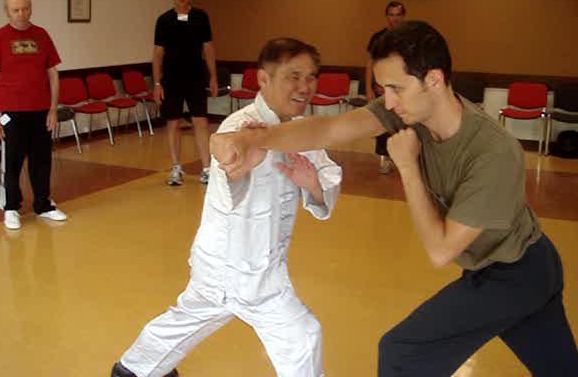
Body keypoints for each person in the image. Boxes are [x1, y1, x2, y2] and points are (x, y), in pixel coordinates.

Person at [212, 21, 578, 376]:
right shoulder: (412, 107)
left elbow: (440, 248)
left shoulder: (493, 153)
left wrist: (407, 167)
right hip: (512, 265)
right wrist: (253, 139)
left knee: (403, 352)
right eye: (384, 88)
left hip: (516, 273)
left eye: (396, 88)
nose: (387, 101)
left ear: (433, 79)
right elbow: (329, 128)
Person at [112, 38, 342, 377]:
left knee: (190, 316)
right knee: (302, 336)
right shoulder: (241, 127)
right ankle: (135, 369)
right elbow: (227, 166)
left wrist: (312, 185)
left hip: (248, 264)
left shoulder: (301, 130)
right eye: (294, 76)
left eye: (311, 77)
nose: (305, 87)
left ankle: (133, 369)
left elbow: (325, 178)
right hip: (238, 267)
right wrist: (242, 163)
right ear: (263, 80)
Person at [0, 0, 67, 230]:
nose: (21, 14)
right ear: (7, 12)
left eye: (25, 8)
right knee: (13, 162)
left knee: (42, 160)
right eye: (16, 10)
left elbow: (53, 74)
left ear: (31, 9)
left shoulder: (41, 35)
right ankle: (11, 207)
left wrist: (53, 109)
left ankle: (43, 205)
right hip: (11, 111)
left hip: (40, 110)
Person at [153, 0, 218, 186]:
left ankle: (207, 168)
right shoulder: (163, 20)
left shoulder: (201, 17)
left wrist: (213, 77)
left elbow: (208, 48)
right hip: (171, 78)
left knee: (200, 121)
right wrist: (157, 83)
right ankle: (176, 167)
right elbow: (157, 53)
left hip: (196, 76)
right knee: (173, 122)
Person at [365, 1, 406, 173]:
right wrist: (369, 88)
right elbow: (370, 64)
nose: (394, 18)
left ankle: (404, 159)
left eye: (398, 14)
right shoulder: (378, 38)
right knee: (383, 123)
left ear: (403, 16)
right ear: (387, 16)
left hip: (402, 90)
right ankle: (385, 158)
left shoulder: (408, 38)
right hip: (381, 89)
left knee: (403, 124)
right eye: (391, 14)